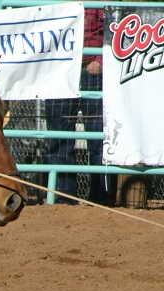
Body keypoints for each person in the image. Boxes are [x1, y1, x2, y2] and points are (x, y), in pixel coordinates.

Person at [44, 7, 110, 205]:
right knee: (59, 140)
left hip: (93, 70)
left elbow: (114, 30)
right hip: (61, 70)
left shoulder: (101, 3)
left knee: (100, 140)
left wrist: (100, 60)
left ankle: (100, 198)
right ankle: (64, 200)